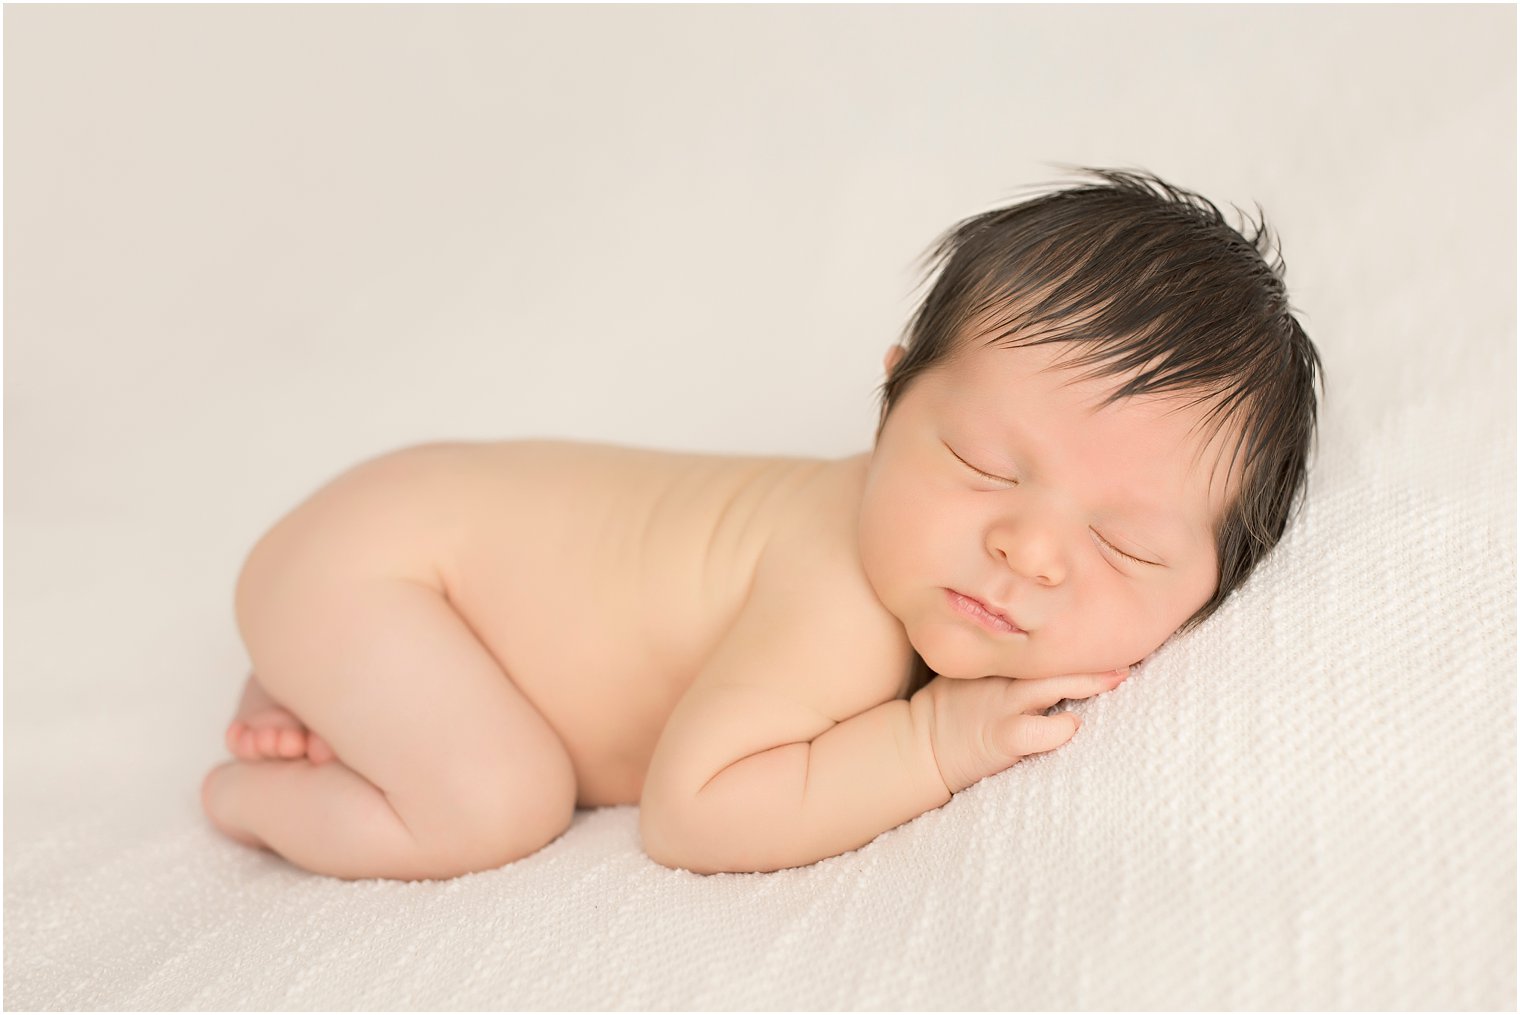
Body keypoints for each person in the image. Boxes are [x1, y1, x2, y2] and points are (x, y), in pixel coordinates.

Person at [200, 167, 1322, 879]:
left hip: (413, 564)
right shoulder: (838, 590)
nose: (1026, 550)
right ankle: (252, 792)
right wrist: (932, 741)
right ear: (889, 404)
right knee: (493, 804)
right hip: (384, 566)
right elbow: (694, 813)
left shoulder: (930, 565)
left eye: (1123, 545)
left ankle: (326, 682)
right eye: (981, 465)